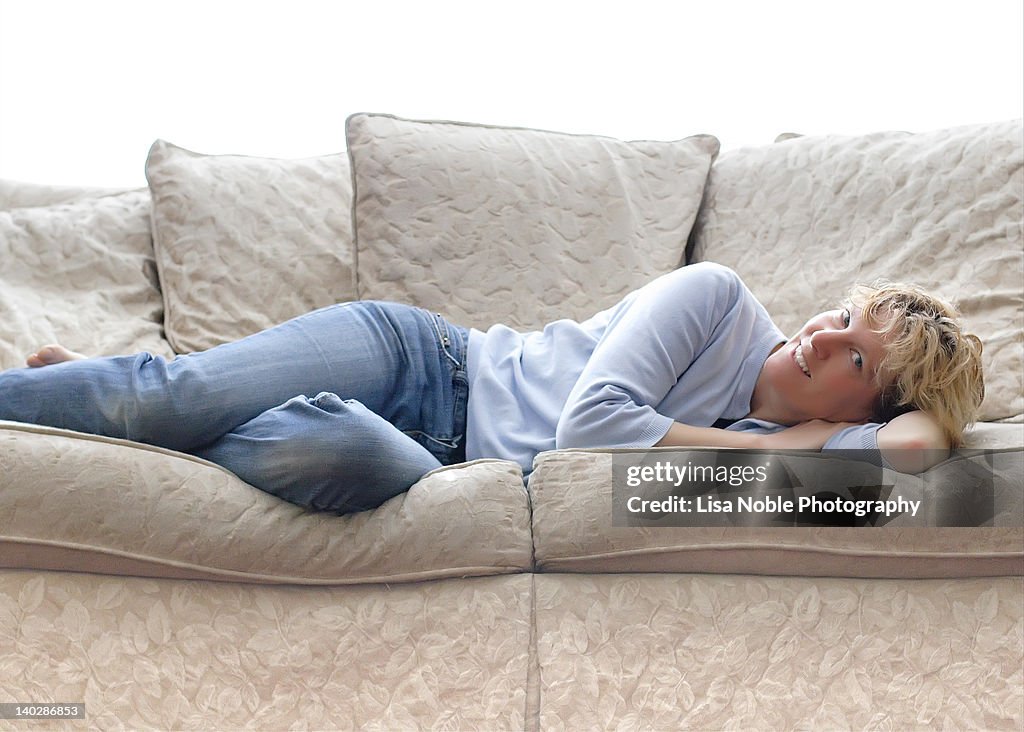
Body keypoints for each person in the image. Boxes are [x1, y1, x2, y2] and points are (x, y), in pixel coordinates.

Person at [0, 263, 984, 514]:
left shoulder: (842, 441)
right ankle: (124, 400)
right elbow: (591, 428)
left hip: (435, 461)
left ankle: (127, 406)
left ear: (864, 405)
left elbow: (908, 457)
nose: (825, 337)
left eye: (857, 359)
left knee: (338, 452)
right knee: (157, 402)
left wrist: (923, 421)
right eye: (844, 316)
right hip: (422, 362)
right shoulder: (715, 300)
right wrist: (771, 453)